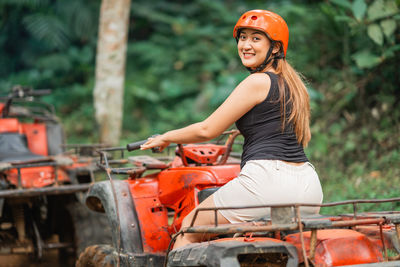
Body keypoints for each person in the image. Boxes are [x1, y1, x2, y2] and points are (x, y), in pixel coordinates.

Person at [140, 9, 323, 249]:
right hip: (309, 186)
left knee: (188, 230)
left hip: (266, 183)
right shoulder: (296, 87)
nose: (246, 45)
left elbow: (207, 129)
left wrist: (166, 137)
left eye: (256, 39)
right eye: (243, 38)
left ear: (275, 48)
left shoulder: (257, 81)